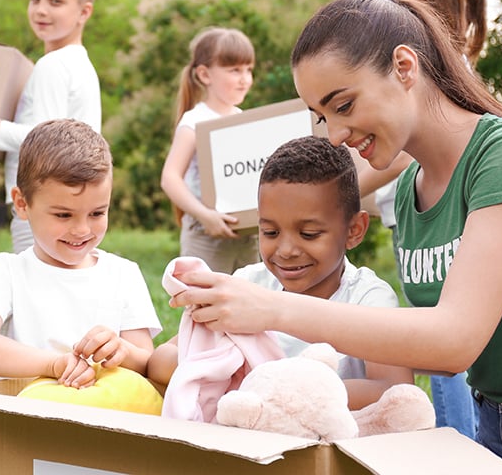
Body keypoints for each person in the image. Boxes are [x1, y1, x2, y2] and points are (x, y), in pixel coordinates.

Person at [168, 0, 502, 474]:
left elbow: (454, 342)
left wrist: (273, 309)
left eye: (343, 104)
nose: (336, 134)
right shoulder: (411, 188)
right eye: (323, 117)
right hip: (493, 423)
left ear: (405, 67)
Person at [149, 135, 414, 410]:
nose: (286, 250)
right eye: (270, 232)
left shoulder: (368, 298)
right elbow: (162, 360)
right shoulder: (246, 285)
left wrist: (273, 391)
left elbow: (393, 390)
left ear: (354, 230)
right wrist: (212, 368)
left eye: (309, 234)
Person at [358, 0, 492, 438]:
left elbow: (402, 154)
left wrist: (335, 192)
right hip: (415, 217)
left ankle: (456, 437)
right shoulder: (453, 64)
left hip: (440, 221)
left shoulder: (434, 76)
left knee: (441, 343)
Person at [0, 119, 161, 389]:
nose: (81, 230)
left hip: (104, 420)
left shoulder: (123, 274)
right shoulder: (9, 271)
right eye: (63, 214)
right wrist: (52, 365)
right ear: (22, 203)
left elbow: (148, 364)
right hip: (29, 421)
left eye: (97, 213)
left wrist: (121, 350)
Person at [0, 0, 102, 254]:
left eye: (56, 1)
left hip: (41, 204)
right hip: (69, 204)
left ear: (84, 12)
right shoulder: (80, 64)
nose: (40, 10)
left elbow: (44, 140)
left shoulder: (54, 65)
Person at [160, 26, 259, 273]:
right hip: (205, 235)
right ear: (205, 75)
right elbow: (170, 178)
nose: (244, 78)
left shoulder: (244, 119)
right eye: (234, 70)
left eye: (248, 70)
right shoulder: (195, 121)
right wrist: (205, 215)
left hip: (246, 235)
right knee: (205, 306)